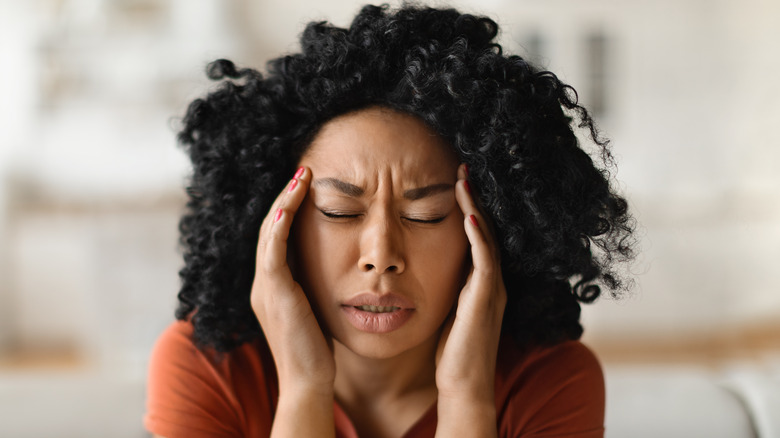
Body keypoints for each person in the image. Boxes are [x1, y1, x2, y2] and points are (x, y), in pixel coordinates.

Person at [144, 4, 635, 438]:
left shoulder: (549, 381)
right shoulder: (209, 367)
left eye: (426, 215)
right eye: (339, 212)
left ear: (491, 231)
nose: (381, 256)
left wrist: (466, 399)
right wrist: (303, 390)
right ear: (279, 225)